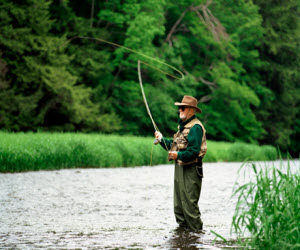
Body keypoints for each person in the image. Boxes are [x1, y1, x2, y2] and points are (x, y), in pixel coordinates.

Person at [154, 95, 207, 231]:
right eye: (179, 108)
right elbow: (173, 145)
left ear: (191, 110)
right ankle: (183, 238)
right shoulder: (182, 127)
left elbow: (193, 151)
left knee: (189, 206)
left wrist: (178, 155)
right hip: (180, 168)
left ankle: (196, 237)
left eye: (182, 107)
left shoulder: (195, 127)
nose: (179, 110)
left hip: (191, 169)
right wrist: (161, 139)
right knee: (179, 207)